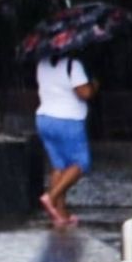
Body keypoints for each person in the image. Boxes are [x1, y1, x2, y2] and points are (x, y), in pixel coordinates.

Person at [34, 52, 97, 227]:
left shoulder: (42, 62)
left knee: (59, 166)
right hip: (68, 120)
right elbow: (84, 93)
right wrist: (94, 85)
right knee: (81, 163)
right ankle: (50, 197)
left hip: (44, 118)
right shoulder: (73, 65)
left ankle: (60, 214)